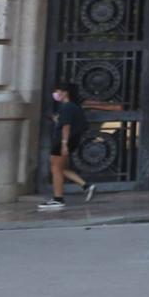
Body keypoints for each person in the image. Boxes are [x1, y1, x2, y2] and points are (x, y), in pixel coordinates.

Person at [39, 82, 96, 210]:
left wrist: (64, 143)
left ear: (65, 92)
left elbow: (66, 126)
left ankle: (58, 199)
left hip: (62, 141)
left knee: (55, 168)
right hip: (69, 140)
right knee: (61, 167)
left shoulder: (67, 107)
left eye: (58, 91)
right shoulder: (73, 107)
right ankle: (86, 186)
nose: (56, 94)